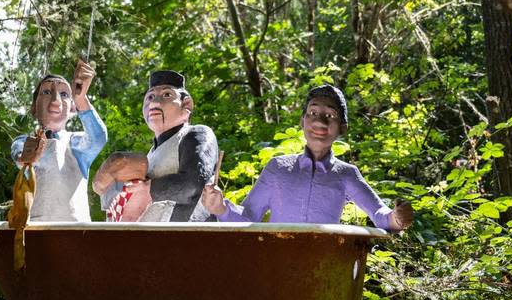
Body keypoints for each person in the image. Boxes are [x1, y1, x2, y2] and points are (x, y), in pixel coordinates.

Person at [200, 84, 413, 231]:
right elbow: (248, 217)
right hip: (274, 264)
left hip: (322, 266)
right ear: (302, 121)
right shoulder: (278, 168)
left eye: (330, 116)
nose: (319, 122)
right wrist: (221, 207)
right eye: (312, 113)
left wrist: (398, 218)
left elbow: (380, 214)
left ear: (342, 128)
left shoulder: (346, 174)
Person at [92, 70, 219, 222]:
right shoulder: (151, 155)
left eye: (166, 95)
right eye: (150, 97)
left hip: (186, 235)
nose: (154, 103)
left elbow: (192, 186)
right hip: (154, 238)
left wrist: (149, 189)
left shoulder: (196, 134)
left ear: (186, 104)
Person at [11, 59, 107, 222]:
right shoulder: (24, 141)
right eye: (46, 92)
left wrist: (81, 98)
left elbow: (98, 138)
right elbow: (20, 156)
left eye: (64, 94)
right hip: (36, 229)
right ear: (35, 107)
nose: (56, 101)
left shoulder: (75, 143)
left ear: (72, 108)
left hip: (76, 230)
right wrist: (27, 157)